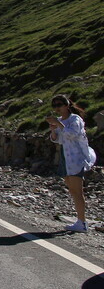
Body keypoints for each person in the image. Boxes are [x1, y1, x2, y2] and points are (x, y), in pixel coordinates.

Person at [47, 94, 96, 232]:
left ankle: (82, 222)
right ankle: (79, 220)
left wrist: (59, 124)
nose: (57, 108)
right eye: (54, 106)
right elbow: (58, 139)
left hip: (76, 157)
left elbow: (73, 134)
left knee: (77, 190)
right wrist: (53, 131)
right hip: (65, 156)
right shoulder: (60, 120)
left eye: (59, 105)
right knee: (72, 190)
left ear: (67, 105)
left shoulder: (75, 119)